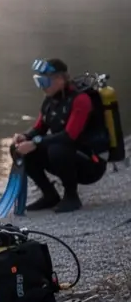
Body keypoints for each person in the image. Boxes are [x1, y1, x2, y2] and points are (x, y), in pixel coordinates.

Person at [12, 59, 109, 213]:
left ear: (60, 79)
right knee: (19, 148)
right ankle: (50, 195)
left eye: (44, 82)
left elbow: (69, 136)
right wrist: (25, 137)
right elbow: (39, 128)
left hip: (91, 163)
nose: (41, 87)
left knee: (56, 148)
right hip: (69, 154)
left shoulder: (80, 100)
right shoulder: (50, 101)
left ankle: (72, 197)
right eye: (39, 82)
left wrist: (35, 142)